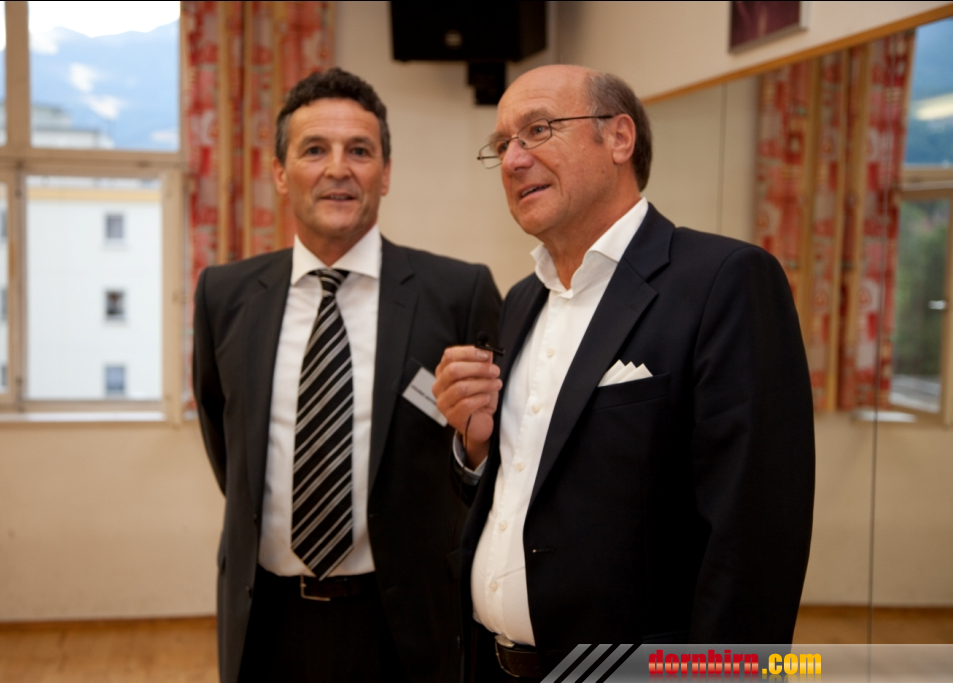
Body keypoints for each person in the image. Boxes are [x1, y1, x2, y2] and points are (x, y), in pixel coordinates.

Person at [432, 65, 815, 681]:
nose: (513, 160)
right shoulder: (522, 300)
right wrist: (476, 449)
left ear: (619, 138)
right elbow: (529, 491)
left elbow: (755, 540)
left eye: (538, 130)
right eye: (502, 144)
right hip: (493, 663)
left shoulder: (724, 281)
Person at [193, 67, 501, 683]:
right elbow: (228, 445)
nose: (339, 168)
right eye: (315, 150)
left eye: (359, 151)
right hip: (266, 620)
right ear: (280, 173)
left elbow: (489, 460)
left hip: (405, 627)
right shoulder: (224, 295)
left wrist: (474, 447)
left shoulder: (458, 293)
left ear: (385, 174)